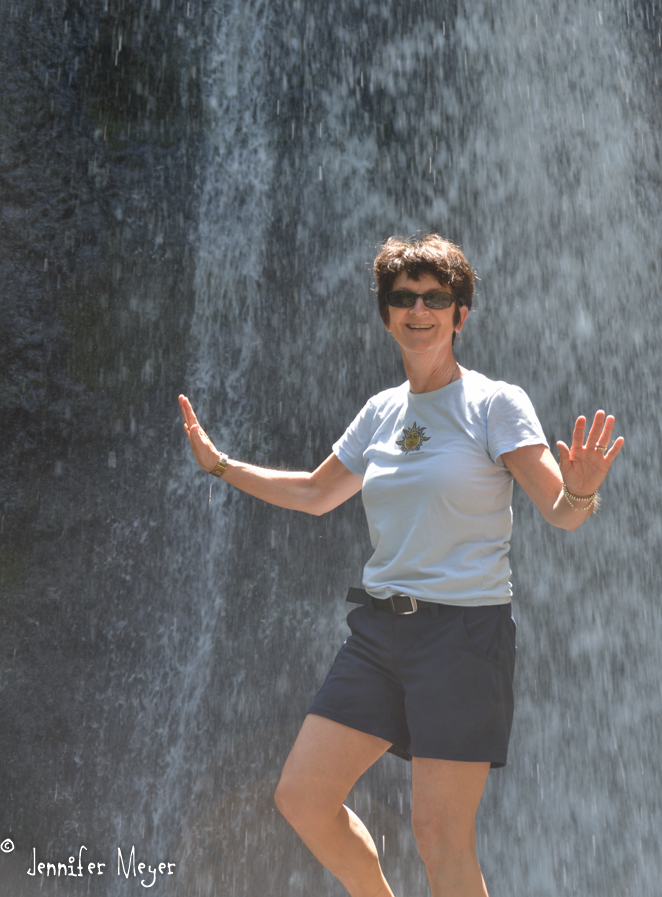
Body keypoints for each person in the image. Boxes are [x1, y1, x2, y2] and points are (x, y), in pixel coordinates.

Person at [178, 233, 623, 897]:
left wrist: (582, 489)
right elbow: (313, 492)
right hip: (380, 633)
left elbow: (560, 510)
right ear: (386, 314)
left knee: (441, 838)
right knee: (302, 797)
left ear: (460, 314)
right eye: (403, 298)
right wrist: (219, 465)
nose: (420, 309)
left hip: (464, 637)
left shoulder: (496, 404)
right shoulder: (381, 412)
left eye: (436, 297)